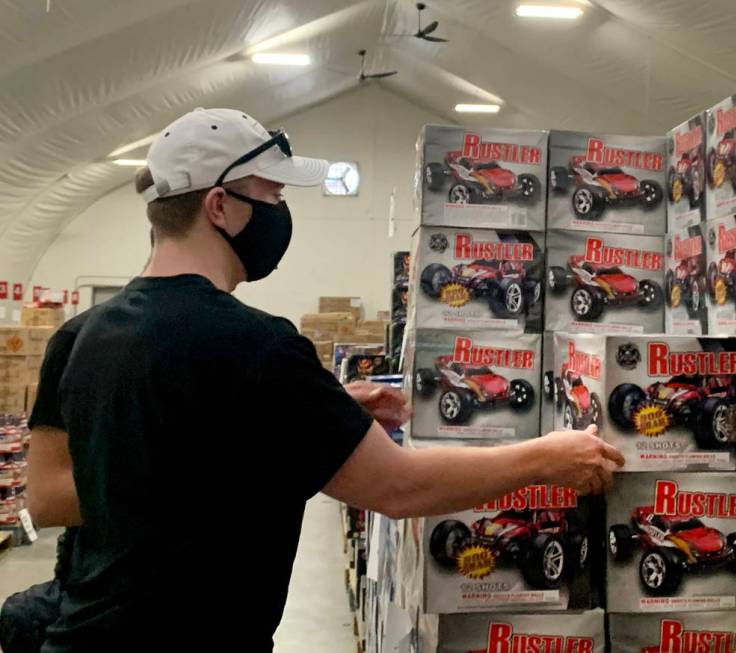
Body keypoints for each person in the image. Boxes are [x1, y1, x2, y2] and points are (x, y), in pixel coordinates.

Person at [22, 108, 624, 652]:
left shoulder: (80, 336)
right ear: (219, 207)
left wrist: (317, 411)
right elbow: (398, 489)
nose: (281, 211)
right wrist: (547, 457)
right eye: (273, 194)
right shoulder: (258, 345)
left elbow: (63, 488)